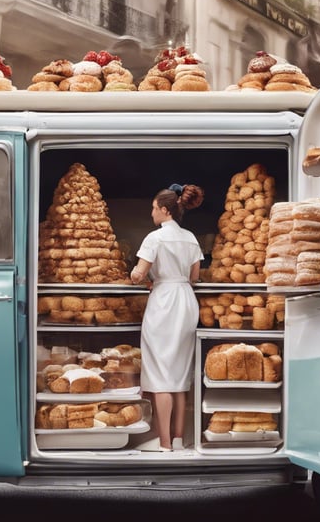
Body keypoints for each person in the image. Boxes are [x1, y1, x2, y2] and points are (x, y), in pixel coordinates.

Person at [130, 183, 204, 452]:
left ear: (164, 210)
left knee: (161, 374)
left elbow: (138, 274)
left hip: (164, 302)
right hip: (186, 300)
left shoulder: (154, 238)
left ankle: (163, 444)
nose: (151, 213)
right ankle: (178, 439)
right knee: (179, 376)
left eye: (154, 208)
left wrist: (137, 277)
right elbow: (194, 277)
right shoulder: (191, 238)